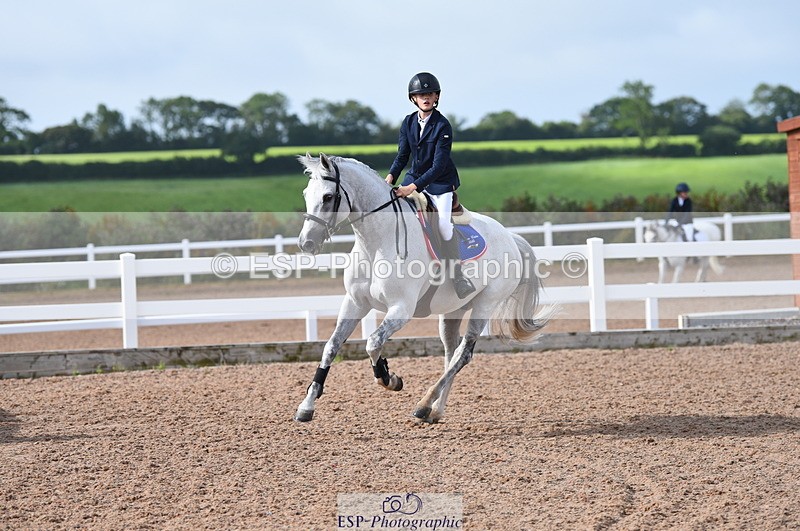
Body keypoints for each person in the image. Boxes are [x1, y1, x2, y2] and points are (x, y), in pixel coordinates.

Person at [385, 72, 475, 298]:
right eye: (421, 94)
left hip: (440, 182)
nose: (425, 98)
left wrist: (411, 188)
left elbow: (437, 166)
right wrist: (390, 177)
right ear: (413, 98)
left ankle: (458, 276)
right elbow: (402, 156)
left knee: (444, 226)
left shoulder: (443, 125)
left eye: (430, 94)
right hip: (414, 176)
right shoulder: (408, 122)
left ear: (437, 97)